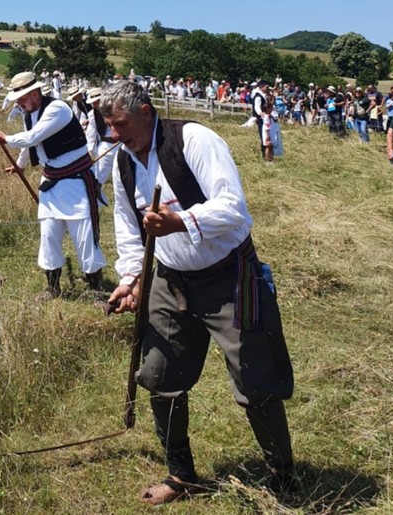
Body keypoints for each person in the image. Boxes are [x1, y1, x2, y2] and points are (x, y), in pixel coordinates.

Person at [99, 80, 295, 506]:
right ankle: (181, 475)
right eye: (109, 127)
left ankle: (283, 475)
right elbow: (128, 227)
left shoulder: (194, 140)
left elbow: (233, 208)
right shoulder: (124, 163)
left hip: (229, 277)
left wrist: (180, 222)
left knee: (256, 381)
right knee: (159, 376)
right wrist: (130, 280)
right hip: (171, 280)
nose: (115, 135)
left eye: (121, 125)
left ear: (147, 112)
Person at [0, 71, 106, 298]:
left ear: (35, 93)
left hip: (76, 182)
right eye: (18, 99)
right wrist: (20, 165)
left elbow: (33, 137)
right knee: (48, 235)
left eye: (22, 98)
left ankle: (96, 290)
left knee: (83, 236)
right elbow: (31, 144)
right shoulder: (29, 113)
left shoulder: (57, 109)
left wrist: (6, 139)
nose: (20, 103)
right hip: (51, 182)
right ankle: (52, 287)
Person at [251, 80, 270, 157]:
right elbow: (257, 107)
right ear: (262, 87)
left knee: (266, 136)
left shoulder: (263, 95)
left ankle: (267, 154)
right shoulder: (258, 96)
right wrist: (260, 113)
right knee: (264, 137)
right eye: (266, 87)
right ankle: (264, 155)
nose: (267, 88)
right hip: (261, 119)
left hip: (265, 119)